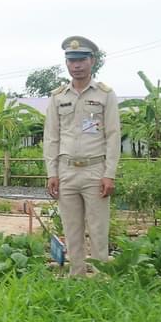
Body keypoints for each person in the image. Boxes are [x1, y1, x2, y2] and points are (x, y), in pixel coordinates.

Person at [43, 36, 121, 276]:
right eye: (71, 60)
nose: (76, 65)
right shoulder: (58, 97)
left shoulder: (105, 95)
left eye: (81, 60)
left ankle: (100, 281)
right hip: (66, 171)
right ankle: (75, 278)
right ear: (67, 63)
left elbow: (113, 135)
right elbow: (51, 138)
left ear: (92, 61)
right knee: (72, 229)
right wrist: (52, 173)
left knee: (98, 230)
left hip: (94, 171)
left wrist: (109, 174)